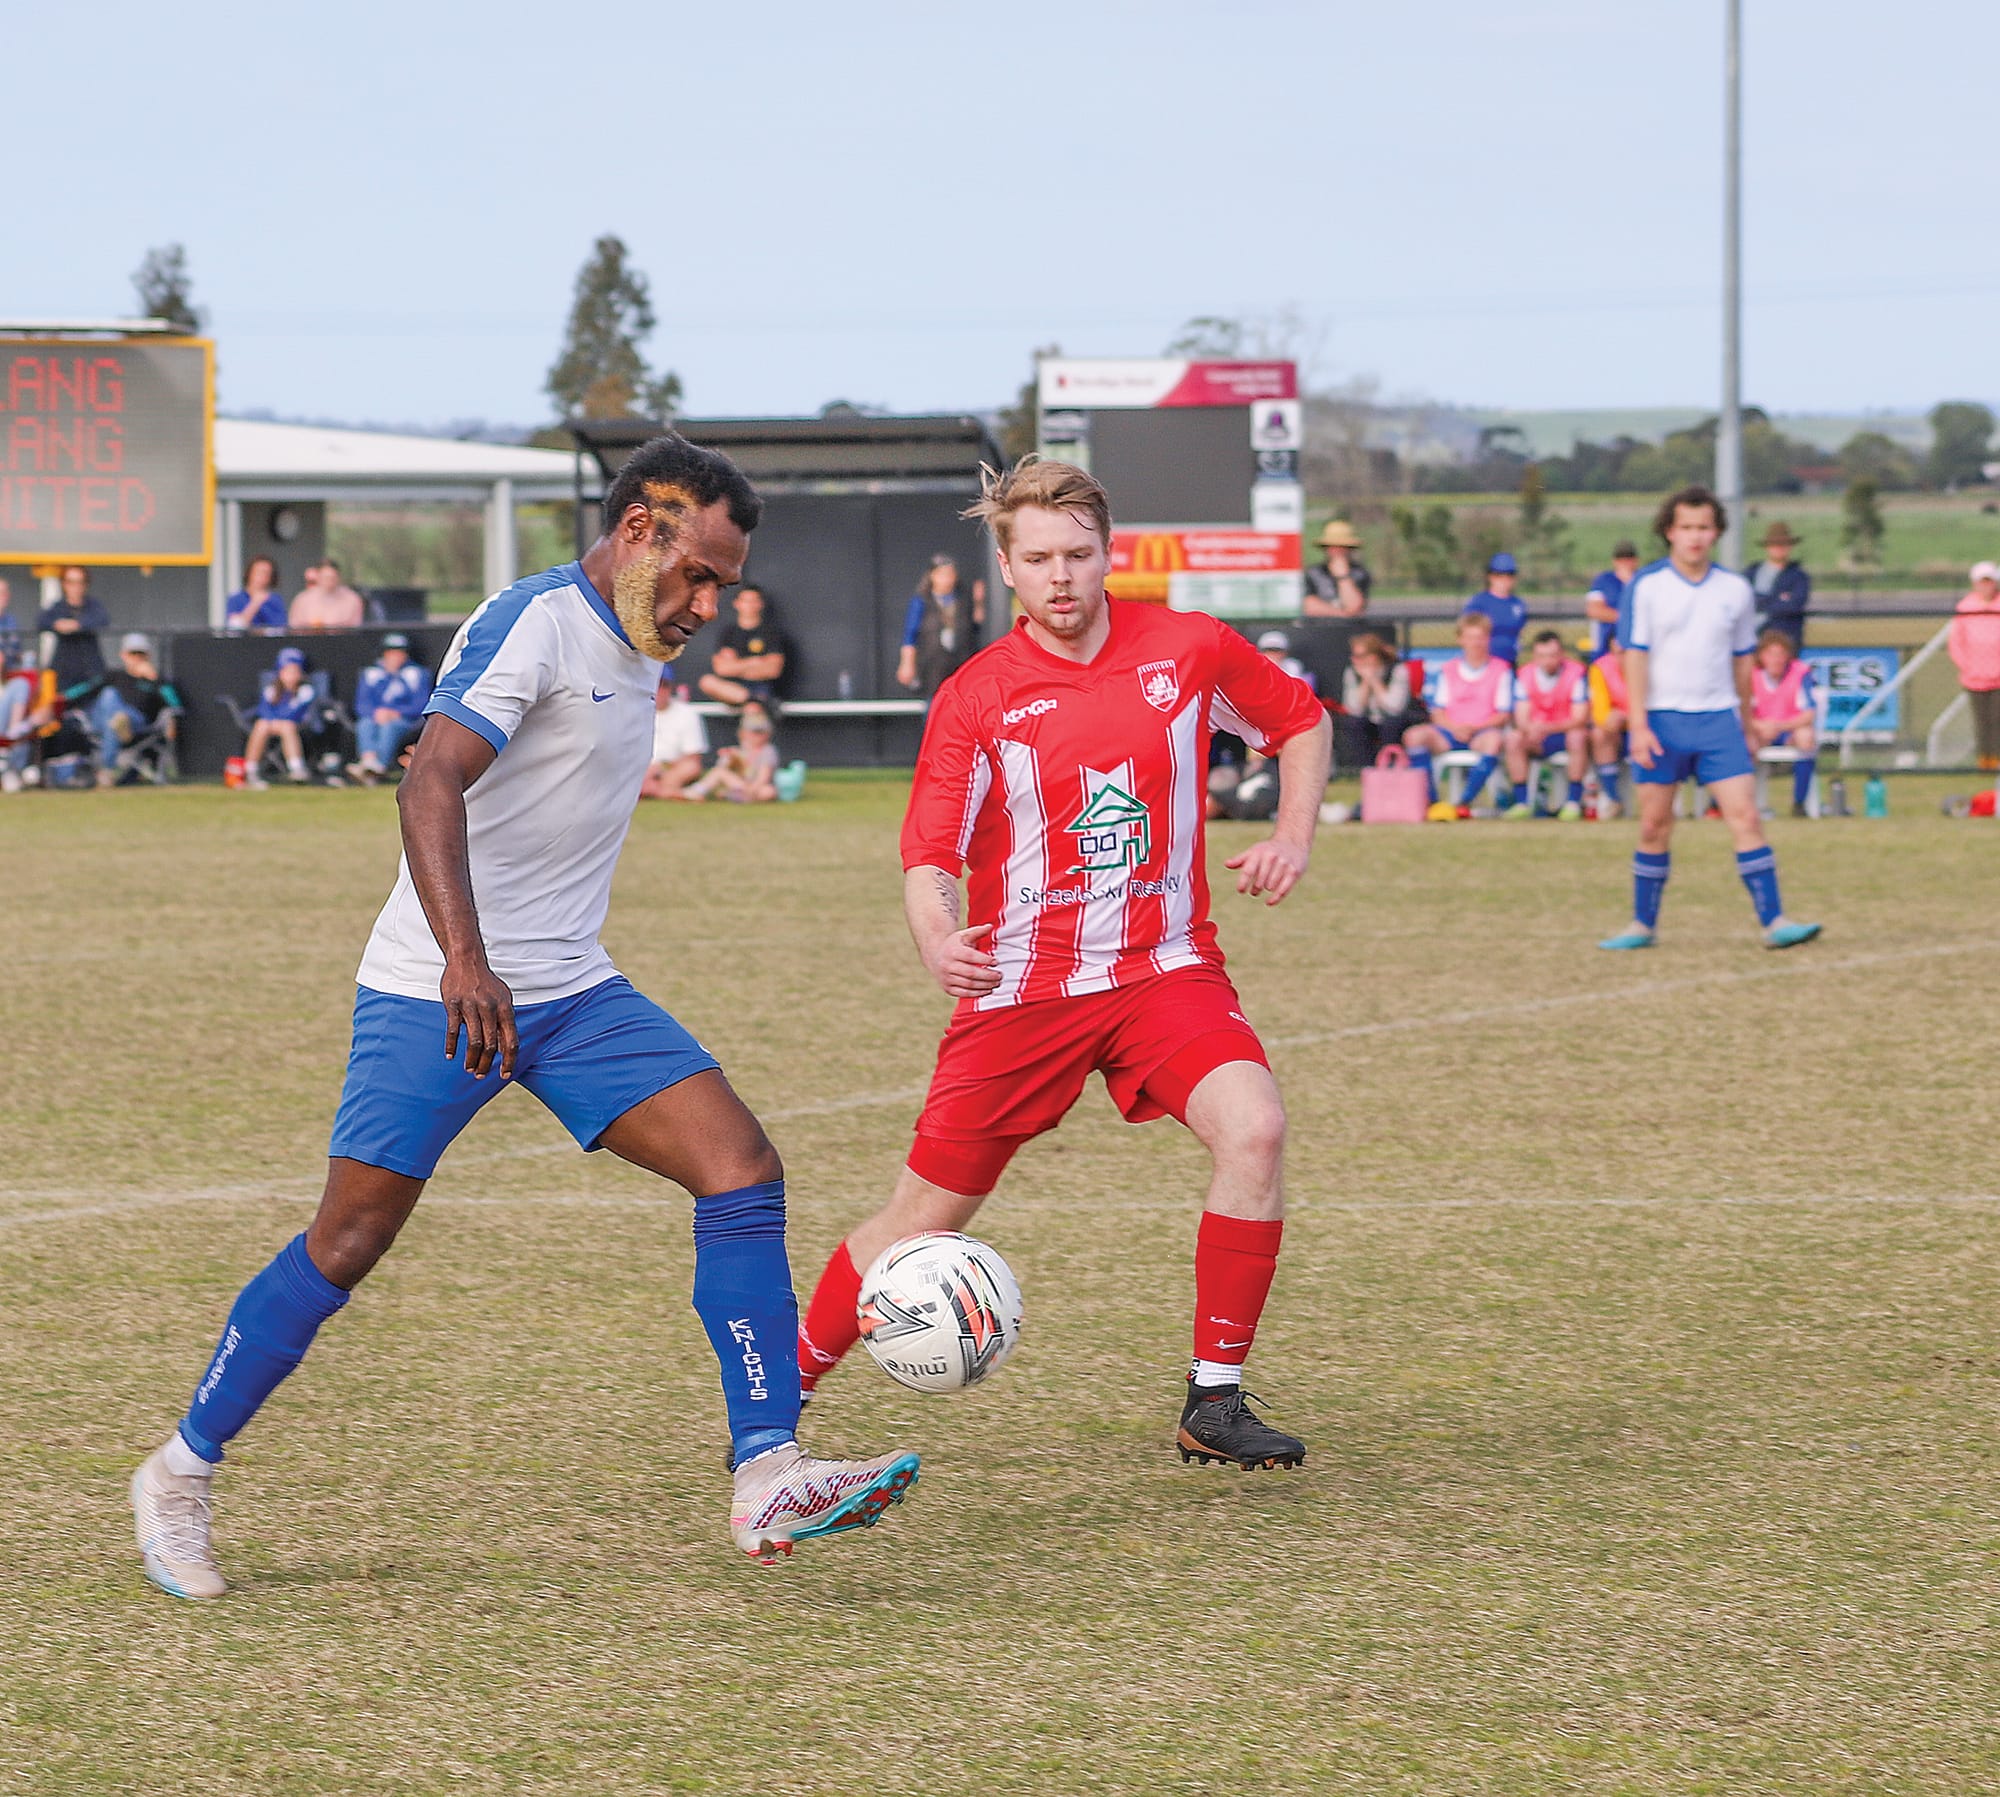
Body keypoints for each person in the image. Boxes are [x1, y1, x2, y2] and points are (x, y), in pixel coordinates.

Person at [129, 432, 919, 1602]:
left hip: (570, 988)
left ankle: (766, 1469)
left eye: (724, 585)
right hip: (437, 987)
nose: (706, 604)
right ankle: (180, 1472)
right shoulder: (533, 622)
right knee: (348, 1238)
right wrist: (464, 960)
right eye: (698, 572)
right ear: (640, 528)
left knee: (740, 1168)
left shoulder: (642, 636)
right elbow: (428, 778)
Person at [790, 455, 1332, 1473]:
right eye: (1038, 558)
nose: (1062, 577)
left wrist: (1293, 835)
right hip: (1018, 994)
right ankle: (779, 1397)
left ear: (1106, 552)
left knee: (1254, 1129)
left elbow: (1300, 722)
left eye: (1078, 555)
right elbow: (927, 856)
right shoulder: (976, 696)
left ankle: (1211, 1400)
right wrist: (934, 936)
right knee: (920, 1219)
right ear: (1005, 566)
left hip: (1163, 973)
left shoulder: (1188, 648)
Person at [1599, 486, 1820, 952]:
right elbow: (1633, 657)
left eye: (1704, 527)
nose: (1695, 537)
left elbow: (1743, 661)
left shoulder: (1734, 589)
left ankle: (1774, 921)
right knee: (1654, 825)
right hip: (1662, 721)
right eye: (1686, 528)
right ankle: (1642, 925)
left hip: (1719, 720)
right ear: (1669, 532)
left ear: (1716, 532)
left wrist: (1747, 721)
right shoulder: (1647, 586)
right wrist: (1638, 724)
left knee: (1745, 816)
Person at [1402, 612, 1519, 815]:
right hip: (1450, 731)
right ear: (1461, 639)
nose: (1475, 643)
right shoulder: (1449, 670)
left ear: (1488, 639)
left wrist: (1473, 728)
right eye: (1470, 637)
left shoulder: (1501, 670)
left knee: (1494, 741)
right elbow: (1437, 712)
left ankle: (1463, 802)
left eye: (1480, 637)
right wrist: (1455, 728)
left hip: (1482, 732)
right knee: (1414, 736)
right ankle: (1433, 802)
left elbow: (1503, 714)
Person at [68, 632, 181, 786]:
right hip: (102, 722)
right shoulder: (114, 675)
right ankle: (119, 724)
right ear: (123, 655)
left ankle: (107, 768)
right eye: (132, 653)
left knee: (117, 720)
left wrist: (155, 679)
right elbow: (85, 689)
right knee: (109, 696)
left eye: (140, 653)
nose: (136, 657)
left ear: (148, 656)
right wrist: (61, 698)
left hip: (137, 725)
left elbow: (175, 704)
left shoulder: (157, 681)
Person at [1509, 628, 1590, 819]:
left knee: (1578, 737)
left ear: (1561, 654)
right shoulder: (1525, 675)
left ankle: (1573, 802)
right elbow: (1521, 717)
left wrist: (1546, 728)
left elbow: (1579, 718)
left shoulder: (1576, 673)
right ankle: (1522, 802)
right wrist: (1531, 729)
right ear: (1535, 656)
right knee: (1514, 739)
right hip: (1536, 735)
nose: (1548, 661)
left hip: (1564, 733)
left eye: (1553, 655)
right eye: (1542, 656)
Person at [1747, 628, 1820, 816]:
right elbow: (1743, 712)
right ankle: (1737, 804)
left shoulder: (1799, 673)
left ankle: (1799, 803)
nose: (1776, 659)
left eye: (1781, 654)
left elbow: (1809, 713)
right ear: (1762, 656)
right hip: (1761, 730)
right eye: (1771, 654)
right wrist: (1761, 726)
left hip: (1789, 729)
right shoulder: (1751, 675)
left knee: (1806, 737)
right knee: (1743, 742)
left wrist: (1778, 726)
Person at [347, 633, 432, 784]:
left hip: (404, 720)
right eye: (392, 653)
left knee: (390, 727)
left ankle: (380, 765)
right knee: (365, 724)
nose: (396, 657)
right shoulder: (371, 674)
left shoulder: (417, 674)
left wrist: (396, 713)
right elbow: (362, 704)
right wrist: (376, 713)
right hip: (375, 717)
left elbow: (421, 704)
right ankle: (369, 761)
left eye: (400, 652)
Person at [896, 554, 986, 696]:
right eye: (941, 574)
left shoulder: (963, 599)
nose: (946, 579)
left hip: (961, 659)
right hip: (933, 664)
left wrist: (978, 602)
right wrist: (907, 663)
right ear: (932, 576)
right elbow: (910, 634)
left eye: (950, 574)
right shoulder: (922, 601)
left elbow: (975, 627)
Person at [697, 584, 790, 709]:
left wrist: (737, 665)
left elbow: (773, 670)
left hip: (763, 688)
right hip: (734, 689)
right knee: (707, 681)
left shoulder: (771, 633)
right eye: (745, 601)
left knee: (753, 710)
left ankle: (756, 702)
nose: (749, 605)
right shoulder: (729, 633)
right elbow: (722, 669)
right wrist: (755, 662)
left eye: (753, 601)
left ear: (760, 604)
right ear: (737, 604)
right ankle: (752, 699)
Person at [1334, 632, 1413, 773]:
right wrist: (1365, 682)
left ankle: (1390, 767)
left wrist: (1375, 681)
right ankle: (1365, 770)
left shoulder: (1397, 670)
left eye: (1359, 656)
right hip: (1368, 720)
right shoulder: (1352, 673)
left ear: (1373, 657)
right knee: (1354, 723)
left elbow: (1394, 707)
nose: (1354, 661)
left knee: (1391, 724)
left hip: (1393, 721)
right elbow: (1354, 709)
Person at [238, 647, 317, 786]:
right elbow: (264, 710)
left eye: (294, 672)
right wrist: (272, 721)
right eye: (287, 671)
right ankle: (251, 770)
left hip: (298, 725)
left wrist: (278, 720)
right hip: (272, 725)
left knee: (287, 726)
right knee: (261, 725)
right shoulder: (272, 689)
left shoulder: (306, 691)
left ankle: (297, 768)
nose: (290, 676)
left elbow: (295, 713)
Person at [1948, 560, 2000, 771]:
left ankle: (1997, 758)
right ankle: (1985, 761)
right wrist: (1967, 666)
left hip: (1998, 676)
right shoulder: (1965, 608)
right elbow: (1956, 642)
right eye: (1982, 582)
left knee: (1997, 720)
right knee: (1982, 722)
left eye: (1989, 581)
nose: (1986, 586)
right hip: (1974, 676)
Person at [681, 703, 779, 803]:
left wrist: (752, 789)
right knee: (719, 772)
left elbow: (764, 776)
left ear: (768, 734)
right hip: (739, 785)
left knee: (768, 792)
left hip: (756, 787)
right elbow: (723, 769)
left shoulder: (768, 751)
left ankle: (738, 796)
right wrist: (729, 758)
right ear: (742, 733)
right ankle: (696, 792)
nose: (757, 737)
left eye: (760, 732)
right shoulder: (737, 751)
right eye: (753, 732)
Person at [39, 565, 110, 691]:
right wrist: (57, 624)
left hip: (91, 672)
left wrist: (77, 625)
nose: (75, 587)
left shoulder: (93, 606)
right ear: (64, 584)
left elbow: (103, 619)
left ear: (86, 584)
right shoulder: (58, 607)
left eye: (80, 582)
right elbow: (41, 621)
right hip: (63, 673)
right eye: (70, 582)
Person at [640, 677, 708, 799]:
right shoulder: (636, 712)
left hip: (671, 768)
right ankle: (672, 793)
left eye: (663, 686)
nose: (659, 691)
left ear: (670, 688)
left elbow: (693, 756)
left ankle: (654, 790)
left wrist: (662, 767)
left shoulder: (686, 713)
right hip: (641, 767)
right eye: (655, 686)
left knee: (690, 767)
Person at [1587, 631, 1630, 820]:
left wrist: (1630, 717)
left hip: (1645, 725)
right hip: (1617, 729)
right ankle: (1613, 798)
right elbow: (1600, 711)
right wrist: (1612, 719)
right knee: (1600, 734)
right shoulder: (1600, 668)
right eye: (1617, 652)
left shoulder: (1648, 664)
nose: (1621, 657)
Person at [1749, 521, 1811, 647]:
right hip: (1752, 640)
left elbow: (1794, 606)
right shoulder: (1751, 572)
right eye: (1774, 544)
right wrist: (1778, 599)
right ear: (1767, 546)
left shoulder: (1798, 576)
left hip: (1785, 643)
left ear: (1790, 546)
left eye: (1784, 544)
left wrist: (1760, 600)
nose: (1779, 547)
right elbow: (1743, 600)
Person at [1462, 553, 1528, 666]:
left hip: (1510, 661)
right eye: (1499, 575)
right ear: (1490, 576)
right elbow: (1468, 631)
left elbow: (1519, 633)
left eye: (1509, 575)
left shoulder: (1517, 604)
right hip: (1486, 663)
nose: (1504, 579)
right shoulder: (1479, 602)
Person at [1301, 519, 1370, 617]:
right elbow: (1310, 606)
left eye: (1343, 547)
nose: (1337, 551)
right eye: (1333, 546)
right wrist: (1343, 614)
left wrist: (1343, 577)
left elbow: (1355, 606)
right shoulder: (1314, 573)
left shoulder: (1359, 573)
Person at [1584, 540, 1640, 658]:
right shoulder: (1604, 580)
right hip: (1604, 648)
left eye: (1629, 558)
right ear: (1614, 561)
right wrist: (1629, 618)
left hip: (1635, 648)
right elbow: (1594, 610)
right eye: (1621, 559)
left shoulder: (1641, 581)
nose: (1625, 563)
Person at [288, 559, 367, 631]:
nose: (329, 582)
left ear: (338, 577)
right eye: (325, 578)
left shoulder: (352, 599)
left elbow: (356, 627)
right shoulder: (302, 599)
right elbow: (294, 626)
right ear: (317, 577)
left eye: (332, 578)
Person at [224, 557, 289, 633]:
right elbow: (234, 628)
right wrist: (255, 603)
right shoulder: (235, 599)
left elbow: (280, 629)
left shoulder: (275, 600)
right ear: (249, 574)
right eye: (258, 572)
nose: (262, 577)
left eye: (267, 573)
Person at [0, 576, 22, 666]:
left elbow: (17, 652)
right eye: (1, 593)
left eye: (5, 593)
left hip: (7, 674)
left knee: (22, 680)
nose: (4, 596)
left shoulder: (11, 621)